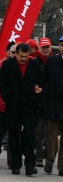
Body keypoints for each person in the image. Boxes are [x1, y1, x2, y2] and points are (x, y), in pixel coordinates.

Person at [0, 42, 43, 176]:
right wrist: (8, 99)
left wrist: (37, 93)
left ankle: (30, 165)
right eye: (21, 56)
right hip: (13, 107)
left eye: (26, 56)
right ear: (15, 54)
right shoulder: (7, 65)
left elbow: (40, 83)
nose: (23, 59)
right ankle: (16, 164)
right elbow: (1, 84)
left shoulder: (34, 66)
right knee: (13, 136)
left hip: (29, 107)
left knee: (29, 137)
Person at [43, 36, 63, 176]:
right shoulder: (51, 61)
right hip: (54, 105)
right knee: (51, 136)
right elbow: (44, 80)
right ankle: (49, 161)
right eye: (62, 44)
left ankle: (61, 166)